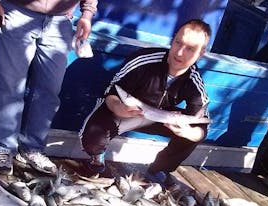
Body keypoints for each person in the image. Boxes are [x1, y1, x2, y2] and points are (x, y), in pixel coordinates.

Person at [79, 19, 211, 187]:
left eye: (190, 49)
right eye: (178, 43)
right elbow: (110, 92)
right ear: (172, 40)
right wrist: (118, 107)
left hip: (160, 117)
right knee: (93, 136)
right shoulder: (143, 60)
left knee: (194, 134)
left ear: (201, 54)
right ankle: (96, 160)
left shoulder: (194, 81)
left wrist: (187, 133)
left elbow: (203, 125)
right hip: (126, 111)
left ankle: (159, 169)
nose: (179, 53)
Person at [0, 0, 97, 175]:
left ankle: (33, 149)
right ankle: (4, 148)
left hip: (61, 21)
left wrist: (87, 14)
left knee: (49, 91)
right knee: (11, 86)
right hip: (16, 13)